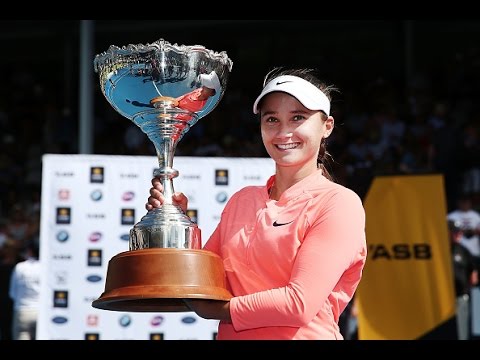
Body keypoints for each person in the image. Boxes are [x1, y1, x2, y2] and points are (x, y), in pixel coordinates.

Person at [146, 68, 367, 340]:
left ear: (327, 126)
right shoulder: (243, 199)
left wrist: (217, 309)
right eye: (271, 119)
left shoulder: (340, 203)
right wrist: (176, 227)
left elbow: (298, 304)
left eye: (298, 117)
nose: (284, 131)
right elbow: (203, 285)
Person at [448, 219, 478, 340]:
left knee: (462, 334)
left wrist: (465, 290)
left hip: (460, 299)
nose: (458, 234)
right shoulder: (438, 249)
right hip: (442, 300)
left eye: (459, 232)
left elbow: (473, 274)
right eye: (454, 232)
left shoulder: (463, 250)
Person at [9, 241, 41, 340]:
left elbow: (12, 293)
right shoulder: (46, 267)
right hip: (40, 311)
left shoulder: (20, 267)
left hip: (22, 311)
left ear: (30, 251)